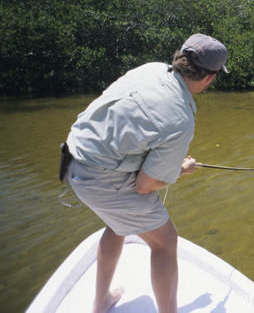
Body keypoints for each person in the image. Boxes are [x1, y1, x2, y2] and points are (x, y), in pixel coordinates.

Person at [65, 34, 228, 313]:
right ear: (209, 78)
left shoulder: (150, 69)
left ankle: (100, 303)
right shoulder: (180, 120)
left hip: (73, 159)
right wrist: (182, 170)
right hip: (101, 180)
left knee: (118, 225)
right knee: (165, 243)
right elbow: (145, 185)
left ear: (180, 57)